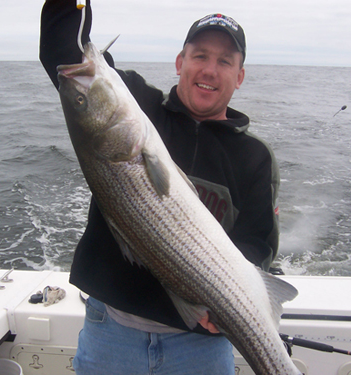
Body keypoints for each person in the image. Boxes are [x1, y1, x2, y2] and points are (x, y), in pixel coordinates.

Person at [40, 1, 280, 374]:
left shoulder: (254, 157)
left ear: (240, 75)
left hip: (200, 345)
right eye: (199, 55)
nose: (209, 69)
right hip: (111, 333)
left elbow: (258, 241)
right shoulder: (138, 102)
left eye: (224, 61)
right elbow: (63, 52)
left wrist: (230, 303)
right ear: (180, 62)